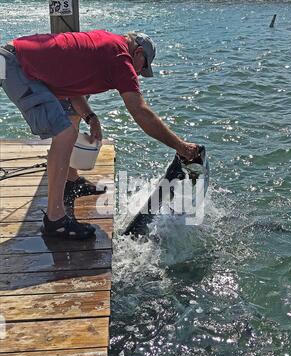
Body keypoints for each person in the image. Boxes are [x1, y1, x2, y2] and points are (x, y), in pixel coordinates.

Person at [0, 30, 199, 240]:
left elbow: (70, 86)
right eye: (144, 66)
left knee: (71, 119)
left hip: (13, 59)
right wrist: (180, 146)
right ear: (138, 52)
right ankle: (55, 221)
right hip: (16, 66)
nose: (140, 73)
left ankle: (71, 180)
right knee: (65, 133)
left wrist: (91, 117)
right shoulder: (121, 59)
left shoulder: (107, 46)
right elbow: (140, 111)